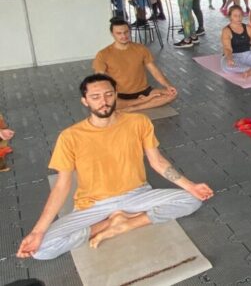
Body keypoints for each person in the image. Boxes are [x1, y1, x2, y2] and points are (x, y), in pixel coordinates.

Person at [16, 74, 213, 260]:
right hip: (93, 205)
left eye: (108, 94)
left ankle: (126, 224)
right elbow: (61, 186)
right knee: (41, 249)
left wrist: (191, 187)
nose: (104, 101)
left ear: (116, 95)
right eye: (95, 97)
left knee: (191, 199)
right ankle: (109, 223)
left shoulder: (139, 122)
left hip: (136, 195)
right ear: (85, 101)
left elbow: (158, 162)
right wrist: (37, 231)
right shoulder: (70, 137)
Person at [93, 18, 178, 112]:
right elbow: (99, 79)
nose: (123, 36)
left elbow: (154, 70)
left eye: (126, 32)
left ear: (130, 31)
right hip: (120, 94)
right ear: (112, 34)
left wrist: (168, 85)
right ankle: (143, 102)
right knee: (109, 102)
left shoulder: (141, 49)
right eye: (119, 33)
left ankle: (132, 108)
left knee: (171, 94)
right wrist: (108, 94)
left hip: (143, 91)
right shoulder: (103, 54)